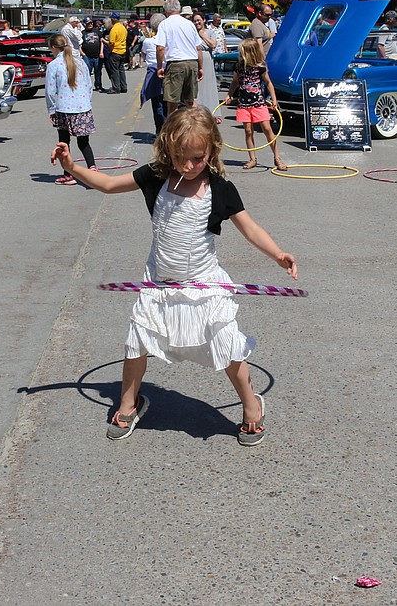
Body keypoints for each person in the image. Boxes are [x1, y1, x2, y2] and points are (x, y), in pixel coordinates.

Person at [49, 106, 297, 445]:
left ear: (212, 150)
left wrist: (278, 254)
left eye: (197, 157)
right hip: (158, 283)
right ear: (168, 149)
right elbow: (107, 184)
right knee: (136, 343)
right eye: (180, 157)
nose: (188, 165)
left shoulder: (220, 189)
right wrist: (71, 166)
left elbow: (249, 227)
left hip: (203, 283)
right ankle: (128, 403)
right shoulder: (155, 176)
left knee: (226, 345)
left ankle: (252, 405)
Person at [225, 37, 286, 171]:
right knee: (248, 131)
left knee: (267, 129)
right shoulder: (239, 66)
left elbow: (268, 83)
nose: (240, 54)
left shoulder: (260, 67)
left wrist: (274, 100)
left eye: (242, 51)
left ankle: (277, 158)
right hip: (244, 104)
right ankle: (252, 159)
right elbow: (235, 82)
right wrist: (229, 94)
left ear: (249, 52)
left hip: (258, 103)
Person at [45, 34, 97, 186]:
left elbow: (50, 91)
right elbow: (89, 85)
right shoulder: (80, 62)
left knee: (64, 143)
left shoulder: (54, 65)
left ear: (54, 48)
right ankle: (92, 168)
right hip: (83, 107)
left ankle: (68, 174)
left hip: (64, 108)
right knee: (84, 142)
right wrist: (87, 102)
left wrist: (51, 109)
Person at [154, 0, 203, 120]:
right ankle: (201, 124)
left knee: (172, 102)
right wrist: (200, 67)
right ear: (179, 9)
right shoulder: (189, 24)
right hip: (192, 62)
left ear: (165, 11)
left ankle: (173, 131)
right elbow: (198, 48)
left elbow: (160, 48)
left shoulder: (165, 24)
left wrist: (159, 67)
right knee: (190, 101)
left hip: (176, 63)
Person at [192, 12, 221, 115]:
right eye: (194, 21)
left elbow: (213, 44)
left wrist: (202, 35)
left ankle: (213, 112)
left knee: (209, 86)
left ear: (203, 20)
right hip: (195, 60)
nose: (197, 23)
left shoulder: (210, 32)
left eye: (198, 20)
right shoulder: (192, 33)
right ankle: (198, 112)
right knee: (197, 87)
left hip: (207, 60)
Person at [140, 17, 165, 135]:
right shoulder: (167, 40)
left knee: (157, 103)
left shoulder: (148, 41)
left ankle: (160, 130)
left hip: (153, 73)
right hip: (166, 70)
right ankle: (166, 130)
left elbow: (144, 53)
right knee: (167, 102)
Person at [80, 18, 106, 93]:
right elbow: (79, 45)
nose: (90, 25)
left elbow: (102, 42)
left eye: (91, 23)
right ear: (84, 24)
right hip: (87, 56)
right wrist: (82, 54)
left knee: (98, 71)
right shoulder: (82, 33)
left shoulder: (97, 32)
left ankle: (98, 86)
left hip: (97, 55)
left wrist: (101, 52)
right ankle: (86, 86)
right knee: (87, 71)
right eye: (88, 23)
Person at [106, 13, 129, 94]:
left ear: (114, 19)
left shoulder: (114, 29)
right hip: (122, 51)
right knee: (121, 70)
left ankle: (116, 87)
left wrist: (105, 42)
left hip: (115, 51)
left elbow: (111, 42)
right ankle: (124, 86)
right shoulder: (123, 28)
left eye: (111, 19)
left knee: (114, 71)